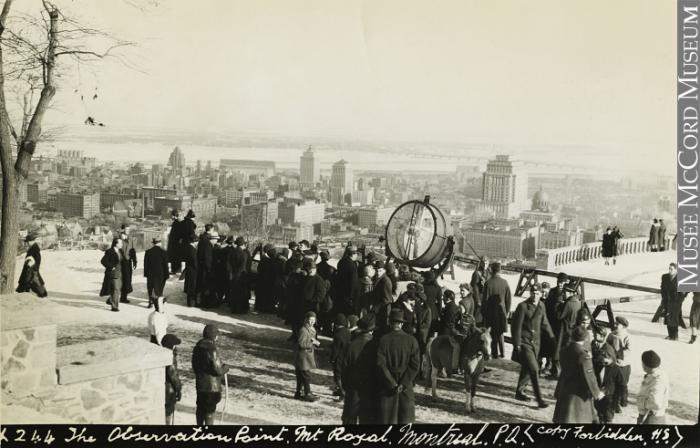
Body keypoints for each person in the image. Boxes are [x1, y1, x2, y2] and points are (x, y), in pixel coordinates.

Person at [511, 283, 553, 408]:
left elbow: (545, 324)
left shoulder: (541, 306)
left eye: (538, 293)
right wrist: (517, 344)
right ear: (530, 293)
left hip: (536, 344)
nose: (535, 295)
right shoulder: (522, 306)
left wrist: (552, 339)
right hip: (525, 343)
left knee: (527, 367)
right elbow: (515, 327)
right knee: (534, 369)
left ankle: (520, 392)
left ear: (541, 294)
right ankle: (540, 399)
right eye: (533, 293)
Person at [376, 308, 421, 424]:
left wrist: (392, 383)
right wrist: (403, 383)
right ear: (401, 324)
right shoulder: (412, 340)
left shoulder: (383, 340)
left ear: (390, 322)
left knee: (387, 420)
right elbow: (415, 365)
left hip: (387, 386)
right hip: (405, 386)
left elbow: (381, 365)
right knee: (405, 420)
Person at [552, 326, 604, 423]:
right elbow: (589, 376)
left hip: (564, 388)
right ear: (585, 339)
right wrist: (597, 393)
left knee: (564, 417)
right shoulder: (584, 355)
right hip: (579, 393)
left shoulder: (564, 351)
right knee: (579, 419)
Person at [340, 314, 378, 424]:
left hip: (353, 387)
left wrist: (346, 385)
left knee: (349, 419)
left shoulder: (351, 344)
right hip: (369, 389)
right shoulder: (375, 345)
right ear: (371, 331)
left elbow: (344, 368)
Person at [192, 324, 229, 425]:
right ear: (213, 336)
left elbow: (195, 366)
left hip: (200, 385)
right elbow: (217, 370)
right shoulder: (212, 350)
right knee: (209, 411)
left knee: (200, 408)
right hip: (212, 387)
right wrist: (225, 368)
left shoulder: (197, 348)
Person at [591, 330, 623, 424]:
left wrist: (621, 401)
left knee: (608, 417)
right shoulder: (599, 366)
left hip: (610, 397)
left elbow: (621, 384)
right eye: (602, 359)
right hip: (599, 396)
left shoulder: (615, 369)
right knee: (598, 414)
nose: (603, 361)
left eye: (606, 359)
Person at [483, 262, 511, 359]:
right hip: (502, 313)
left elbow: (485, 301)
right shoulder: (505, 282)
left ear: (491, 270)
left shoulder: (488, 283)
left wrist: (484, 313)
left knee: (492, 334)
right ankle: (503, 353)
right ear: (500, 270)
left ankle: (495, 354)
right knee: (500, 333)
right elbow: (509, 300)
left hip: (491, 314)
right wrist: (506, 312)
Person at [544, 273, 568, 378]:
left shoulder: (566, 293)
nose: (560, 284)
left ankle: (556, 368)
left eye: (562, 282)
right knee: (550, 344)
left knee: (558, 347)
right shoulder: (552, 291)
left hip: (560, 325)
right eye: (559, 281)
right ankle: (548, 365)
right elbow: (547, 305)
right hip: (551, 322)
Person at [295, 311, 321, 402]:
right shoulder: (303, 330)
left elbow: (312, 339)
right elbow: (301, 344)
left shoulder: (311, 329)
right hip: (303, 357)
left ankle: (298, 393)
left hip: (307, 356)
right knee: (306, 375)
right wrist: (312, 342)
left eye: (313, 320)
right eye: (310, 320)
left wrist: (316, 342)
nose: (312, 322)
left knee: (301, 375)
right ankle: (307, 394)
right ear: (306, 319)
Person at [637, 350, 669, 424]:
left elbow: (656, 403)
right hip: (652, 416)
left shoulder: (657, 380)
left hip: (651, 418)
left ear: (645, 365)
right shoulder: (657, 375)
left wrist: (641, 403)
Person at [659, 263, 688, 340]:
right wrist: (663, 298)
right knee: (668, 317)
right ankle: (670, 335)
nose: (669, 270)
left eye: (671, 269)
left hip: (676, 301)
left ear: (676, 270)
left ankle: (675, 336)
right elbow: (662, 288)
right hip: (667, 300)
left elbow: (686, 290)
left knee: (675, 318)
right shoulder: (664, 277)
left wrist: (681, 299)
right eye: (669, 268)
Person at [610, 316, 632, 411]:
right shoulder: (612, 334)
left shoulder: (627, 336)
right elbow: (608, 346)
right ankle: (615, 404)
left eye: (617, 324)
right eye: (615, 323)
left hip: (624, 365)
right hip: (613, 364)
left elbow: (629, 349)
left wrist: (620, 356)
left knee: (622, 384)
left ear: (623, 326)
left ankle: (622, 400)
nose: (615, 325)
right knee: (613, 384)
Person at [161, 334, 182, 425]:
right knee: (168, 413)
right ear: (171, 346)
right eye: (175, 345)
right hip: (169, 390)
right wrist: (179, 389)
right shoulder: (170, 357)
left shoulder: (160, 354)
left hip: (161, 388)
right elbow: (173, 376)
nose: (176, 347)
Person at [144, 237, 169, 309]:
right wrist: (166, 275)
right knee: (159, 288)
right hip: (160, 274)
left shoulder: (148, 252)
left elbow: (146, 264)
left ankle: (150, 302)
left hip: (151, 273)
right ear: (160, 243)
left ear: (154, 243)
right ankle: (158, 302)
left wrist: (146, 274)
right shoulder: (164, 252)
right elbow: (165, 265)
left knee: (150, 288)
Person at [336, 246, 361, 316]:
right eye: (356, 254)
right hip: (349, 296)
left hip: (341, 293)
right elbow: (353, 282)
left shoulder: (341, 262)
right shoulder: (352, 265)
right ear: (354, 254)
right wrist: (351, 297)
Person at [100, 238, 124, 312]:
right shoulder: (110, 251)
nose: (121, 244)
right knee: (116, 290)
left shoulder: (120, 251)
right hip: (113, 274)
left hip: (119, 272)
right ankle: (114, 306)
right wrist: (111, 267)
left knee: (118, 288)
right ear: (116, 244)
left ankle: (110, 300)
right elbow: (103, 261)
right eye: (120, 243)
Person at [331, 314, 351, 399]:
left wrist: (332, 359)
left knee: (337, 375)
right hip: (346, 357)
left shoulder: (337, 334)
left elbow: (336, 349)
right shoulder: (348, 332)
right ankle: (341, 390)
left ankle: (342, 391)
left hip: (339, 358)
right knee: (343, 375)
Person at [229, 237, 250, 314]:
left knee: (234, 293)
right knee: (240, 294)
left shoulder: (232, 252)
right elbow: (242, 267)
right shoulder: (244, 254)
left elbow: (229, 264)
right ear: (243, 244)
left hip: (233, 275)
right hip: (241, 277)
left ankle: (233, 309)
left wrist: (232, 273)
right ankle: (239, 310)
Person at [119, 224, 137, 304]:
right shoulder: (118, 239)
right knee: (119, 279)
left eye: (128, 230)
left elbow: (132, 250)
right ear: (122, 230)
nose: (128, 231)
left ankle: (124, 297)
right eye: (126, 229)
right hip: (120, 261)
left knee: (127, 279)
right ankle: (113, 297)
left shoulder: (130, 238)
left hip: (128, 261)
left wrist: (135, 261)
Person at [422, 271, 443, 336]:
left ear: (426, 278)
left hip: (424, 310)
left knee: (423, 330)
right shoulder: (438, 288)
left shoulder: (423, 286)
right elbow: (440, 302)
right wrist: (440, 313)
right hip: (434, 312)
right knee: (431, 333)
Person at [470, 259, 488, 325]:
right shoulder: (477, 273)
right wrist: (478, 300)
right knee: (476, 316)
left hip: (484, 297)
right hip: (478, 296)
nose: (485, 265)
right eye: (483, 263)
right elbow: (474, 287)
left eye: (486, 263)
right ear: (481, 264)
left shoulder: (487, 273)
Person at [183, 234, 199, 307]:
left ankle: (190, 302)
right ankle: (191, 303)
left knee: (190, 286)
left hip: (189, 270)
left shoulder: (187, 248)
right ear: (194, 241)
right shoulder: (193, 250)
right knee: (192, 286)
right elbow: (195, 262)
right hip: (193, 271)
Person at [167, 210, 184, 275]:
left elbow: (179, 234)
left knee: (175, 257)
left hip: (176, 243)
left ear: (175, 216)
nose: (171, 217)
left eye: (172, 215)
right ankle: (175, 270)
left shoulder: (177, 223)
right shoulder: (176, 223)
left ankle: (176, 270)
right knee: (175, 257)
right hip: (175, 243)